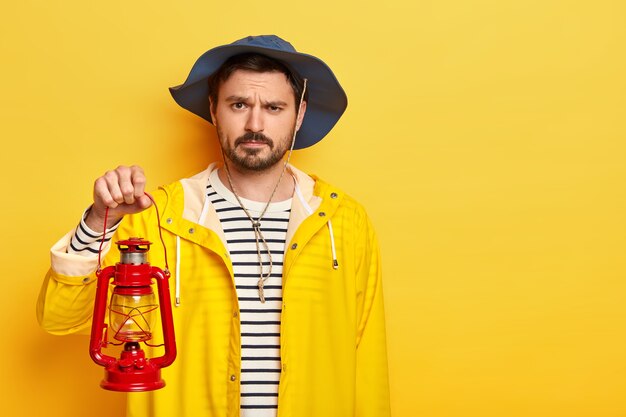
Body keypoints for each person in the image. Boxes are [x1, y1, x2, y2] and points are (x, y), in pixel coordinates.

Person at [37, 35, 390, 417]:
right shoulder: (155, 218)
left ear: (299, 114)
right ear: (214, 109)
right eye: (239, 104)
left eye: (273, 107)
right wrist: (97, 220)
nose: (255, 123)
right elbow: (59, 319)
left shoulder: (345, 221)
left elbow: (367, 362)